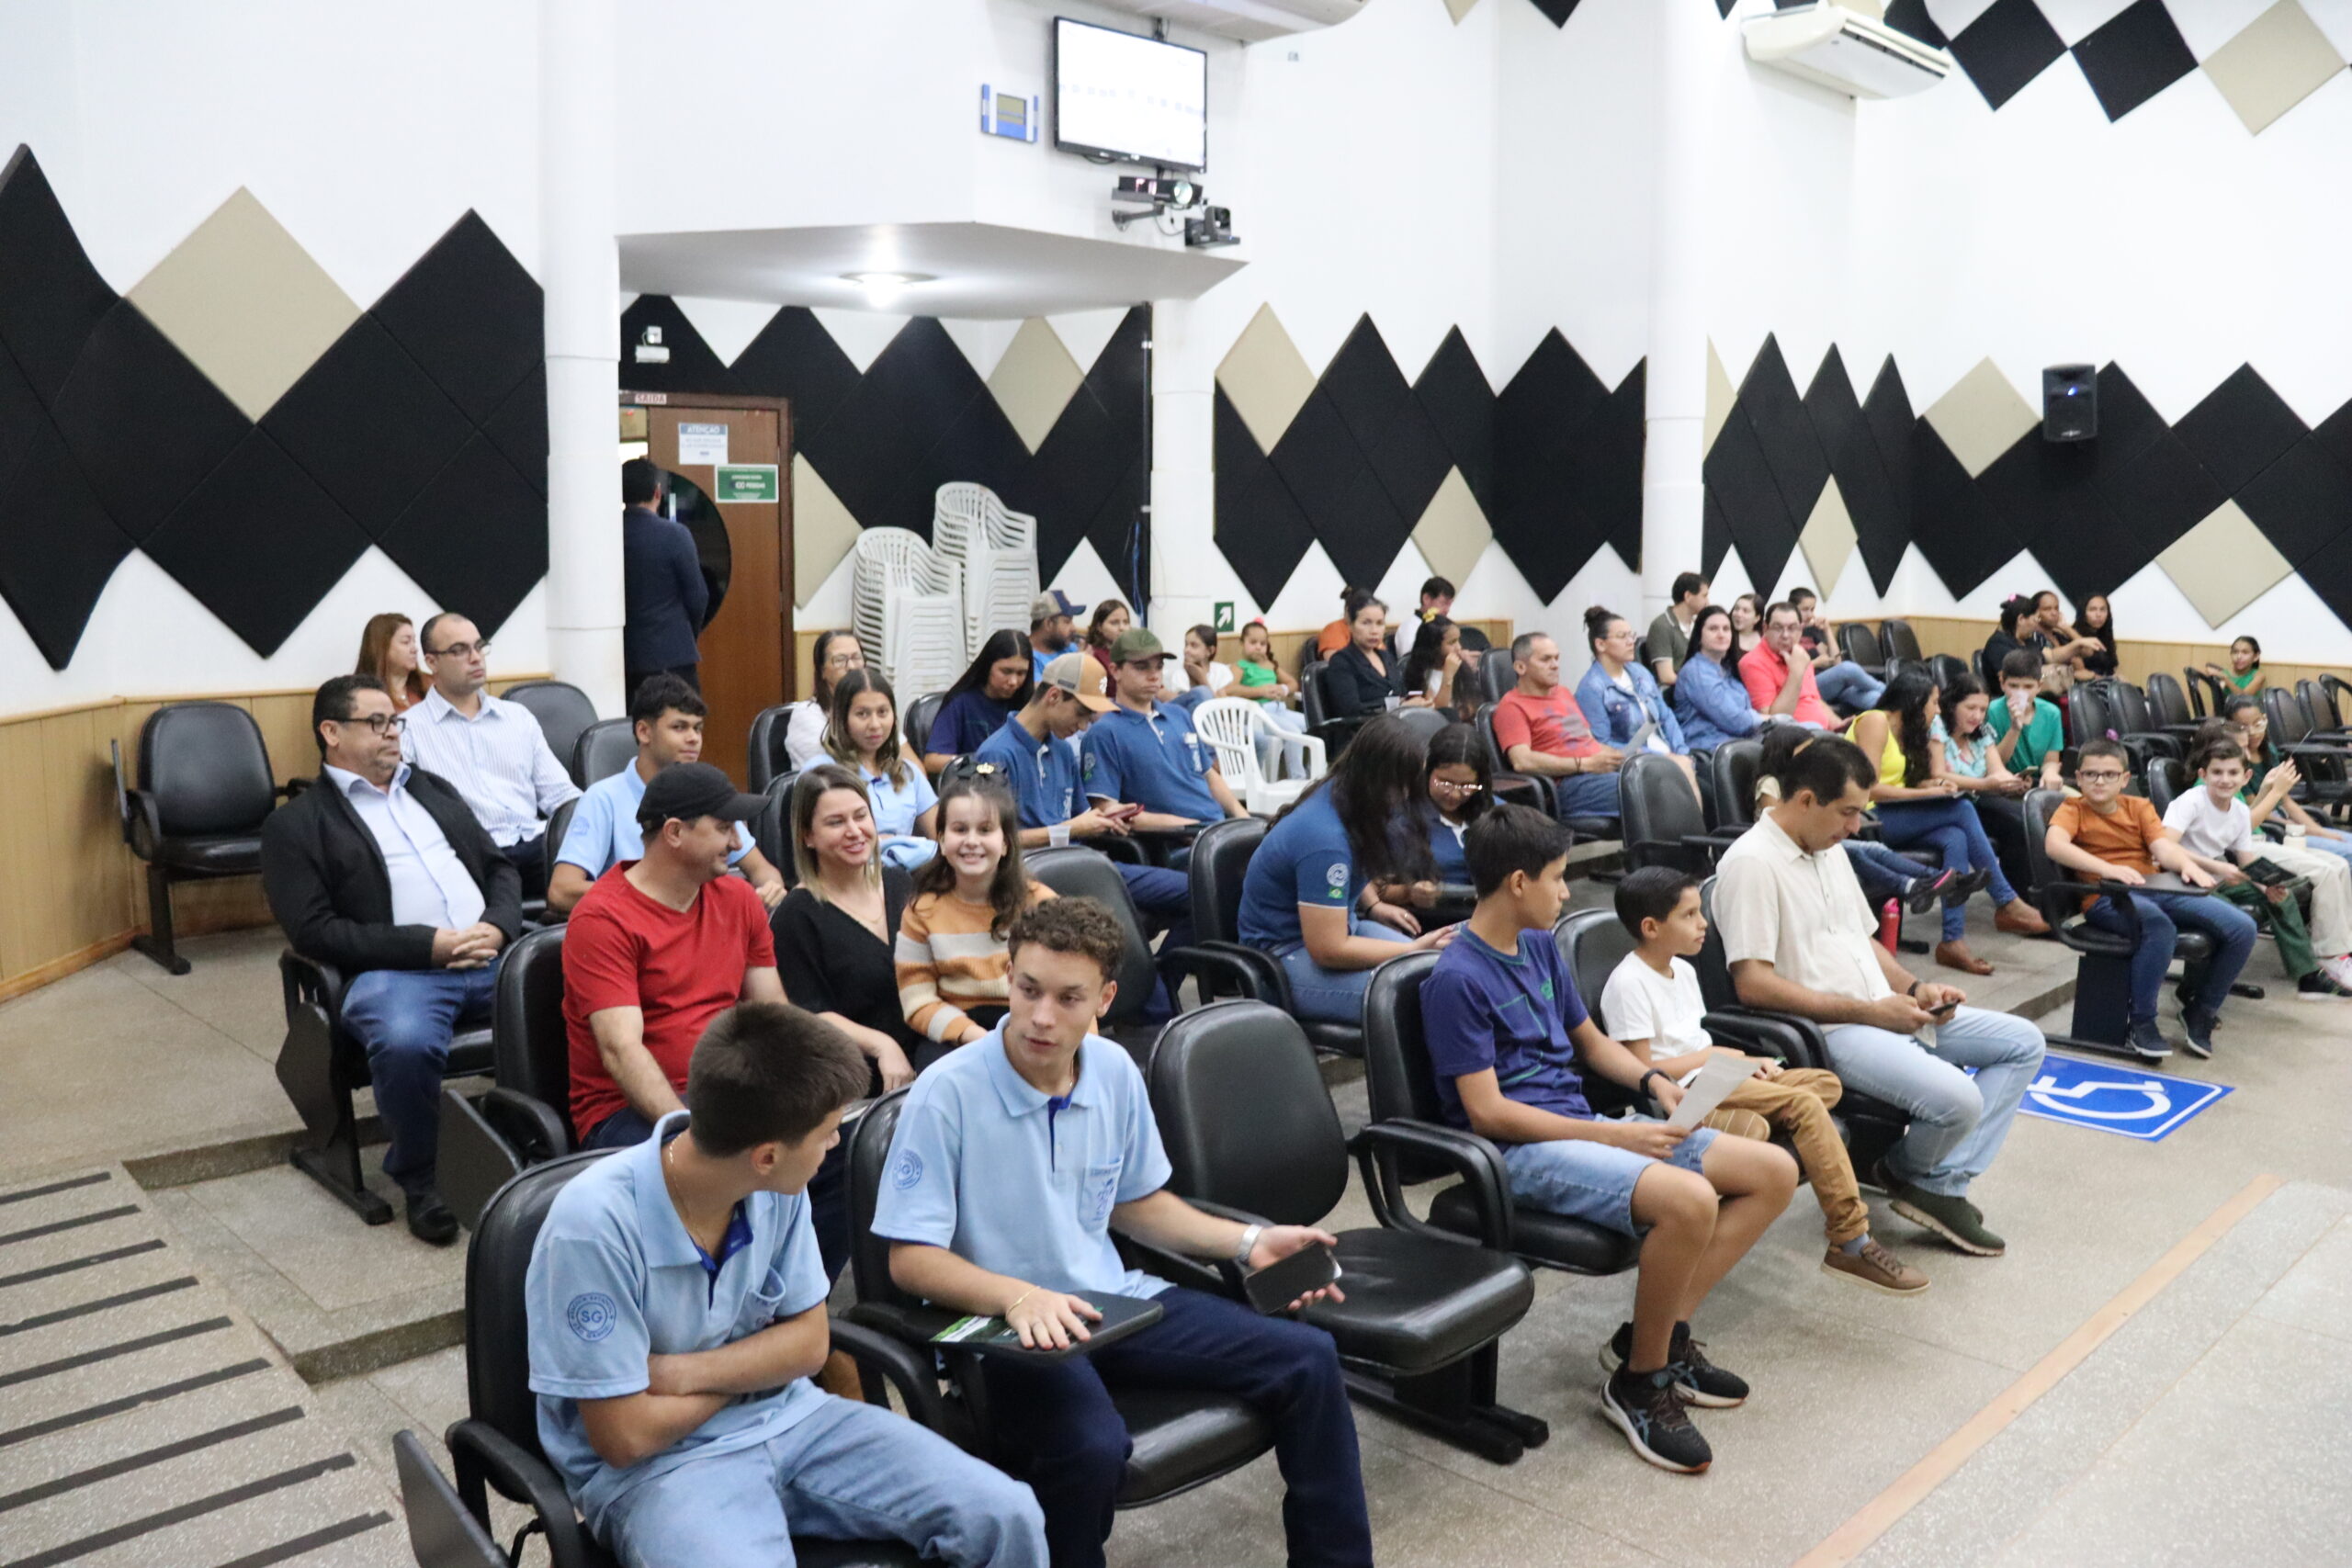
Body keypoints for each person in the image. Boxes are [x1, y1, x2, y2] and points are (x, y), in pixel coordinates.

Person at [875, 897, 1366, 1568]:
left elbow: (1135, 1205)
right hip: (1005, 1330)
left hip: (1113, 1300)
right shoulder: (946, 1093)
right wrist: (1019, 1297)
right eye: (1028, 989)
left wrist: (1249, 1243)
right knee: (1091, 1446)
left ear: (1104, 998)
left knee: (1309, 1359)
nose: (1042, 1016)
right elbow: (910, 1260)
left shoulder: (1111, 1072)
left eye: (1068, 998)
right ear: (1007, 977)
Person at [524, 1002, 1047, 1568]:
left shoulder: (777, 1186)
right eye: (827, 1134)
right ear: (767, 1156)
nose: (835, 1144)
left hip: (793, 1417)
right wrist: (755, 1369)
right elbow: (626, 1438)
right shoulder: (590, 1228)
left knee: (1007, 1514)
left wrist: (681, 1374)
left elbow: (809, 1346)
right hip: (662, 1470)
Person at [1425, 805, 1796, 1473]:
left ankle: (1658, 1337)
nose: (1566, 893)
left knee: (1772, 1171)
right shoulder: (1456, 979)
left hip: (1582, 1128)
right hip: (1519, 1153)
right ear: (1518, 882)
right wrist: (1613, 1138)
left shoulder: (1539, 945)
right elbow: (1488, 1114)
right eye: (1558, 878)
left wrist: (1656, 1082)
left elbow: (1593, 1044)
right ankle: (1640, 1382)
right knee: (1689, 1200)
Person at [1718, 734, 2046, 1258]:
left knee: (2024, 1041)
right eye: (1848, 812)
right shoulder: (1751, 863)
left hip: (1882, 1009)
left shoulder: (1827, 849)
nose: (1856, 827)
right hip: (1832, 1029)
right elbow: (1752, 984)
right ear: (1806, 800)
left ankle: (1929, 1180)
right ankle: (1915, 1176)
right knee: (1959, 1100)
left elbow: (1863, 939)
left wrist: (1916, 988)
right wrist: (1872, 1012)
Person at [262, 675, 518, 1244]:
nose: (392, 733)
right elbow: (314, 931)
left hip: (488, 954)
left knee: (581, 991)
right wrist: (427, 945)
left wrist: (499, 926)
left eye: (395, 722)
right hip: (396, 973)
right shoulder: (296, 824)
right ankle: (423, 1180)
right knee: (405, 1042)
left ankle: (546, 1142)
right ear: (332, 732)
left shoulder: (430, 788)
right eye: (375, 723)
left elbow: (498, 867)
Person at [1600, 866, 1926, 1295]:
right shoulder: (1628, 984)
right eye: (1690, 915)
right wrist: (1717, 1058)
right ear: (1651, 927)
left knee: (1826, 1084)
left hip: (1718, 1078)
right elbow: (1642, 1070)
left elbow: (1700, 1039)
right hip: (1685, 1096)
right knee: (1806, 1106)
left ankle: (1749, 1119)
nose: (1703, 924)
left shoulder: (1684, 971)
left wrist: (1748, 1064)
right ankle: (1851, 1239)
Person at [563, 763, 784, 1151]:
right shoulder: (601, 920)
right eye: (723, 828)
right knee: (744, 1163)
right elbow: (621, 1051)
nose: (737, 843)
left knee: (839, 1144)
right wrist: (693, 1133)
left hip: (728, 1093)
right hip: (628, 1112)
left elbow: (773, 1015)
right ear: (675, 833)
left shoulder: (740, 900)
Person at [1237, 714, 1455, 1022]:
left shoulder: (1347, 792)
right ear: (1377, 779)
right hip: (1283, 959)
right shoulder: (1324, 838)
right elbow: (1328, 949)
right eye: (1402, 784)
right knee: (1414, 995)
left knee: (1437, 971)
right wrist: (1410, 950)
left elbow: (1347, 864)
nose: (1408, 794)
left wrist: (1373, 904)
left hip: (1342, 926)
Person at [2047, 739, 2256, 1060]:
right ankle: (2142, 1021)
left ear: (2124, 779)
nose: (2099, 781)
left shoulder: (2139, 807)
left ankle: (2201, 1011)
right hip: (2108, 897)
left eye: (2109, 774)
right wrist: (2108, 869)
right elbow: (2055, 845)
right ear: (2078, 778)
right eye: (2090, 774)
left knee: (2242, 928)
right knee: (2159, 928)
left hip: (2156, 888)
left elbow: (2163, 848)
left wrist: (2187, 866)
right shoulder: (2072, 809)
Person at [973, 651, 1189, 932]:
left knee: (1199, 888)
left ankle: (1168, 962)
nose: (1084, 726)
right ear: (1053, 696)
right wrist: (1070, 830)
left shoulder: (1062, 750)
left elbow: (1080, 817)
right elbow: (990, 842)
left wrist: (1106, 817)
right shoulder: (997, 754)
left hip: (1084, 864)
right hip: (1033, 875)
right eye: (1081, 713)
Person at [1850, 670, 2048, 975]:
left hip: (1894, 813)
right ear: (1915, 700)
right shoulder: (1875, 721)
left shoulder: (1909, 730)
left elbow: (1904, 781)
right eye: (1933, 702)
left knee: (1955, 836)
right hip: (1864, 819)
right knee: (1962, 809)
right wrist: (1923, 795)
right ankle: (2006, 900)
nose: (1937, 709)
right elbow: (1868, 789)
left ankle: (1952, 941)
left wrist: (1933, 786)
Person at [550, 675, 788, 916]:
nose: (693, 738)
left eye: (697, 728)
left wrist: (769, 889)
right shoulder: (602, 798)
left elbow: (764, 871)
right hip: (635, 926)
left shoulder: (708, 791)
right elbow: (562, 891)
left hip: (705, 925)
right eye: (679, 727)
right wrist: (653, 897)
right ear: (644, 732)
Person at [401, 612, 580, 901]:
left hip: (538, 845)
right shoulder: (408, 730)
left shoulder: (517, 718)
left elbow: (561, 796)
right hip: (473, 858)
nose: (475, 658)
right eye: (459, 650)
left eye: (479, 646)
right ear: (431, 662)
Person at [772, 767, 924, 1107]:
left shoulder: (900, 883)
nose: (855, 831)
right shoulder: (795, 915)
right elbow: (808, 1013)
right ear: (807, 836)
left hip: (927, 1056)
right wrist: (882, 1045)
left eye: (861, 816)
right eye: (836, 822)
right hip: (855, 1081)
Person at [2165, 739, 2352, 999]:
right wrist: (2217, 866)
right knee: (2226, 918)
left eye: (2233, 773)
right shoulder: (2190, 802)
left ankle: (2307, 977)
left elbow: (2246, 860)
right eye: (2217, 772)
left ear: (2246, 777)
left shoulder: (2240, 811)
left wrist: (2266, 886)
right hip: (2184, 879)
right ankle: (2193, 988)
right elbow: (2165, 846)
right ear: (2203, 774)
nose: (2225, 780)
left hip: (2220, 876)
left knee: (2282, 896)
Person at [895, 775, 1054, 1053]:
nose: (971, 841)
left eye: (985, 830)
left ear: (1005, 843)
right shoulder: (922, 910)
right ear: (941, 841)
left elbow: (1072, 983)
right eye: (959, 829)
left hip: (1031, 1022)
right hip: (957, 1033)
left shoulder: (1040, 903)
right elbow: (917, 1001)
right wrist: (975, 1037)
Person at [1753, 726, 1968, 919]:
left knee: (1875, 848)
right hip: (1791, 844)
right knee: (1856, 852)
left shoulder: (1807, 783)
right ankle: (1911, 886)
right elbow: (1780, 817)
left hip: (1811, 838)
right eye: (1805, 753)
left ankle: (1937, 879)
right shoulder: (1770, 783)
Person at [1080, 628, 1248, 834]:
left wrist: (1245, 820)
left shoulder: (1179, 715)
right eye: (1142, 667)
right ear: (1115, 671)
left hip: (1218, 830)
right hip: (1175, 840)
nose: (1154, 676)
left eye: (1159, 667)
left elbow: (1209, 776)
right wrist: (1188, 827)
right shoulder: (1105, 732)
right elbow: (1109, 811)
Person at [1492, 632, 1623, 823]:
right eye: (1545, 659)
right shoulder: (1511, 707)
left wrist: (1615, 756)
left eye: (1556, 658)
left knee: (1655, 772)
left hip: (1597, 773)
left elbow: (1586, 740)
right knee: (1640, 788)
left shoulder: (1563, 693)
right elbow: (1522, 761)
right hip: (1566, 784)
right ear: (1521, 667)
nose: (1555, 665)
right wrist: (1585, 764)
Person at [1575, 605, 1698, 796]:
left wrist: (1681, 752)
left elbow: (1665, 716)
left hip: (1667, 753)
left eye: (1631, 635)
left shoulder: (1639, 673)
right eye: (1622, 636)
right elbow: (1603, 744)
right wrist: (1662, 757)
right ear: (1601, 645)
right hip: (1636, 764)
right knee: (1682, 780)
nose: (1631, 641)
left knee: (1696, 777)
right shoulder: (1591, 688)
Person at [823, 670, 938, 870]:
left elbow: (942, 835)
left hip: (907, 875)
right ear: (842, 719)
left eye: (883, 712)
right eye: (862, 714)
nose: (875, 724)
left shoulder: (908, 772)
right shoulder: (823, 772)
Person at [1936, 673, 2036, 901]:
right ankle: (2018, 899)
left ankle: (2032, 895)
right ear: (1952, 704)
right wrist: (1984, 784)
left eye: (1983, 710)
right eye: (1971, 708)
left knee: (2028, 816)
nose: (1977, 716)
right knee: (2015, 823)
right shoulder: (1938, 728)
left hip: (1980, 800)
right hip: (1951, 805)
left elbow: (1997, 771)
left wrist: (2013, 782)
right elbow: (1937, 774)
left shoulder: (1982, 732)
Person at [2224, 695, 2352, 871]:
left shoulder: (2268, 751)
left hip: (2287, 823)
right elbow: (2257, 813)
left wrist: (2320, 831)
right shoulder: (2235, 765)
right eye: (2244, 727)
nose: (2253, 732)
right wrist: (2303, 829)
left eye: (2257, 723)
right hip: (2271, 830)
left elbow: (2286, 801)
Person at [619, 457, 708, 700]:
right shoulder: (675, 535)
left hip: (622, 659)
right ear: (657, 492)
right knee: (681, 719)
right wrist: (686, 633)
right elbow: (698, 597)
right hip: (673, 655)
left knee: (632, 721)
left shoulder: (609, 534)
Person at [923, 631, 1035, 774]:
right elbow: (932, 761)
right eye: (1006, 671)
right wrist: (980, 764)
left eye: (1021, 673)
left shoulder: (1029, 704)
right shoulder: (961, 702)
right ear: (988, 666)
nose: (1013, 681)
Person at [1671, 605, 1766, 752]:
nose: (1721, 634)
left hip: (1741, 741)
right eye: (1713, 629)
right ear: (1699, 636)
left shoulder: (1727, 669)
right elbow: (1734, 722)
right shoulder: (1696, 672)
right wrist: (1767, 719)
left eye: (1726, 629)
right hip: (1710, 747)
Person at [1738, 603, 1843, 731]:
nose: (1785, 635)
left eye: (1792, 628)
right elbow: (1774, 721)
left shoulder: (1799, 654)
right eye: (1778, 628)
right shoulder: (1752, 663)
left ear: (1800, 630)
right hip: (1791, 736)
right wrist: (1796, 673)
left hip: (1823, 733)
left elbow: (1814, 700)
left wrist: (1840, 726)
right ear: (1765, 628)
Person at [1230, 618, 1311, 775]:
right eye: (1253, 642)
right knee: (1293, 732)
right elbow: (1230, 690)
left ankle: (1313, 772)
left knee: (1315, 725)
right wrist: (1260, 691)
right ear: (1242, 643)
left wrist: (1283, 689)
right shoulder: (1240, 666)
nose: (1258, 647)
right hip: (1259, 713)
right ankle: (1298, 778)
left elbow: (1293, 683)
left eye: (1263, 643)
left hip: (1279, 710)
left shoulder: (1271, 665)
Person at [1786, 587, 1885, 711]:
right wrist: (1816, 663)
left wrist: (1827, 630)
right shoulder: (1786, 635)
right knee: (1848, 668)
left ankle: (1894, 702)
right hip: (1807, 685)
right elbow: (1788, 671)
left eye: (1812, 609)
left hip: (1831, 683)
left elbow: (1836, 662)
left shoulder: (1812, 630)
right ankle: (1891, 692)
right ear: (1792, 609)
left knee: (1875, 698)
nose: (1810, 615)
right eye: (1805, 610)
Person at [783, 629, 865, 771]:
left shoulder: (874, 710)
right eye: (840, 660)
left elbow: (904, 761)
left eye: (856, 657)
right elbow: (835, 772)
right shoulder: (806, 715)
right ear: (822, 671)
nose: (851, 667)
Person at [1421, 723, 1492, 885]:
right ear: (1427, 770)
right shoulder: (1402, 818)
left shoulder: (1496, 813)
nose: (1454, 794)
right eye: (1445, 783)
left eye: (1467, 786)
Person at [1320, 594, 1410, 719]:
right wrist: (1399, 706)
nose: (1374, 630)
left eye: (1380, 623)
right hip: (1364, 728)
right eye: (1366, 623)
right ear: (1350, 626)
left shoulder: (1387, 657)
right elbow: (1350, 711)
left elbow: (1402, 693)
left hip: (1397, 723)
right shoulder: (1341, 661)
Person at [1985, 650, 2065, 792]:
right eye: (2013, 686)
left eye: (2028, 687)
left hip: (2035, 783)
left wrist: (2050, 773)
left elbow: (2050, 761)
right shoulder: (1991, 711)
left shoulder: (2051, 713)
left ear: (2039, 686)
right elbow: (1994, 764)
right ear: (2002, 683)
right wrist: (2015, 729)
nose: (2020, 693)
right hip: (2000, 784)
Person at [355, 612, 428, 711]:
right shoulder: (359, 696)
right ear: (382, 648)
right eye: (406, 642)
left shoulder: (430, 686)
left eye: (414, 641)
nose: (414, 649)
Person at [1399, 615, 1469, 719]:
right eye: (1452, 642)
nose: (1459, 647)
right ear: (1434, 646)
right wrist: (1448, 676)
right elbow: (1439, 713)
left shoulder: (1459, 665)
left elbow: (1472, 704)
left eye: (1458, 640)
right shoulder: (1422, 674)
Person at [1645, 572, 1708, 688]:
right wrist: (1701, 685)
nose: (1707, 602)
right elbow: (1666, 676)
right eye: (1704, 596)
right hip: (1678, 690)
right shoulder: (1662, 626)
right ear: (1688, 596)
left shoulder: (1698, 625)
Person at [1168, 624, 1242, 714]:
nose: (1187, 650)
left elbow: (1225, 710)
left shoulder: (1222, 671)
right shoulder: (1180, 674)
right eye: (1186, 644)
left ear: (1210, 651)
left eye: (1194, 645)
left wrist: (1202, 680)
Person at [1418, 575, 1489, 657]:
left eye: (1449, 604)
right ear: (1426, 599)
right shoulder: (1413, 630)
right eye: (1443, 603)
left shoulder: (1446, 626)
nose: (1447, 610)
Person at [1028, 589, 1084, 679]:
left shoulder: (1070, 648)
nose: (1073, 628)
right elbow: (1040, 687)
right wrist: (1079, 665)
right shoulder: (1026, 656)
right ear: (1048, 624)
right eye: (1067, 622)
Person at [2070, 593, 2118, 680]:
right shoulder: (2072, 635)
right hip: (2086, 685)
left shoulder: (2105, 635)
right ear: (2083, 613)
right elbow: (2080, 673)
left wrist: (2117, 677)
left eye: (2102, 610)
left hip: (2105, 682)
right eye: (2092, 610)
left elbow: (2110, 667)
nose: (2098, 614)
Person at [2205, 634, 2267, 698]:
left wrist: (2226, 680)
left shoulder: (2259, 676)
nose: (2239, 657)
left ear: (2256, 656)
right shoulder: (2224, 673)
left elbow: (2243, 698)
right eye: (2235, 652)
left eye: (2245, 653)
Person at [1083, 599, 1130, 677]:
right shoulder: (1093, 656)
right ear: (1099, 627)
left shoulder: (1131, 652)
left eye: (1126, 622)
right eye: (1114, 623)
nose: (1122, 628)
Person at [1728, 593, 1765, 659]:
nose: (1739, 614)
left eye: (1745, 611)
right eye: (1736, 609)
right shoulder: (1726, 636)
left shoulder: (1766, 637)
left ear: (1757, 618)